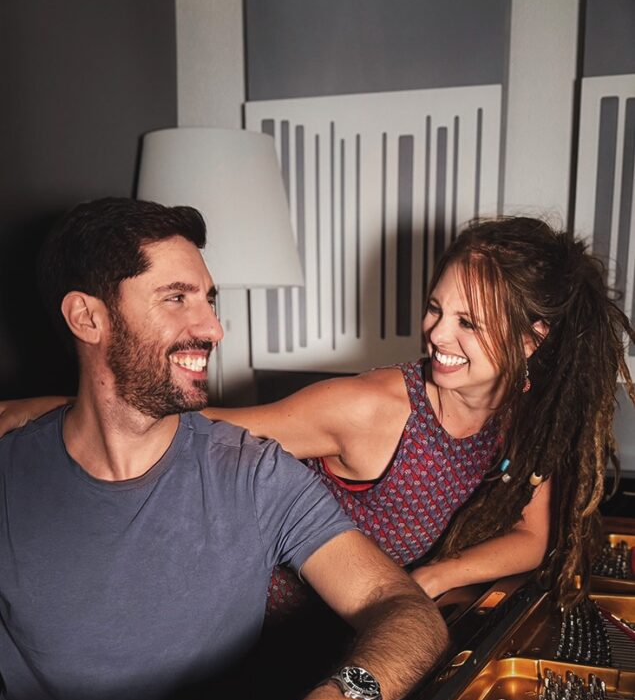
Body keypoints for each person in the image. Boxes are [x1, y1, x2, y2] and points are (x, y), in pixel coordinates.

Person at [0, 197, 449, 700]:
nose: (210, 326)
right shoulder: (12, 474)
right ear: (87, 317)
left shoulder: (255, 475)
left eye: (209, 299)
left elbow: (403, 608)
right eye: (176, 298)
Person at [8, 217, 633, 609]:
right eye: (436, 308)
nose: (438, 334)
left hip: (374, 618)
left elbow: (531, 536)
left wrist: (435, 578)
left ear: (532, 339)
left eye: (468, 322)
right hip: (270, 624)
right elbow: (203, 430)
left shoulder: (531, 413)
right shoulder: (368, 408)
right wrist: (59, 410)